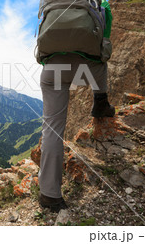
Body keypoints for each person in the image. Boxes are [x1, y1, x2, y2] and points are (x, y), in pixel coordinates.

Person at [38, 53, 115, 212]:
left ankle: (49, 195)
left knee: (52, 128)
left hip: (52, 69)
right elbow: (104, 50)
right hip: (86, 68)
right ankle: (100, 101)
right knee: (102, 66)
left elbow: (40, 55)